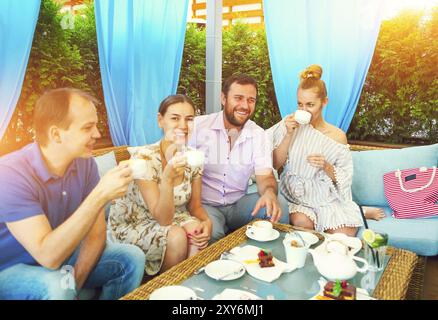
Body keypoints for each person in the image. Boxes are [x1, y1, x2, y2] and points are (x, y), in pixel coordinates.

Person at [0, 88, 145, 300]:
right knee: (58, 287)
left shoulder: (84, 164)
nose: (97, 134)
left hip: (64, 256)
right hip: (10, 268)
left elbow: (96, 235)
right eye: (88, 127)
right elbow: (48, 256)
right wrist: (100, 195)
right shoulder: (10, 174)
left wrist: (74, 284)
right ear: (56, 134)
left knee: (132, 258)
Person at [108, 94, 212, 276]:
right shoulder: (144, 158)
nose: (182, 125)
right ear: (160, 120)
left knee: (197, 231)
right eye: (175, 118)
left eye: (189, 119)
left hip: (174, 218)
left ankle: (187, 284)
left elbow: (195, 206)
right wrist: (168, 179)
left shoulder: (194, 157)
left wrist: (207, 222)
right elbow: (162, 219)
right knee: (177, 237)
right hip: (135, 222)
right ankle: (163, 289)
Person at [189, 74, 289, 243]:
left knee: (278, 206)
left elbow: (265, 176)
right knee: (211, 234)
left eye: (251, 100)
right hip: (205, 205)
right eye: (238, 98)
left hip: (239, 205)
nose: (244, 105)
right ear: (223, 98)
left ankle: (266, 262)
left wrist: (270, 193)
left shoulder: (258, 135)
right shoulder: (198, 127)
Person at [268, 65, 365, 236]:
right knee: (302, 224)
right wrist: (288, 134)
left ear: (324, 102)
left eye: (310, 105)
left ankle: (360, 211)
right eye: (300, 104)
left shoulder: (337, 136)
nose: (304, 110)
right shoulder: (290, 124)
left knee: (344, 235)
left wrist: (326, 166)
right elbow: (275, 163)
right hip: (296, 195)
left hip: (324, 196)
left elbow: (345, 176)